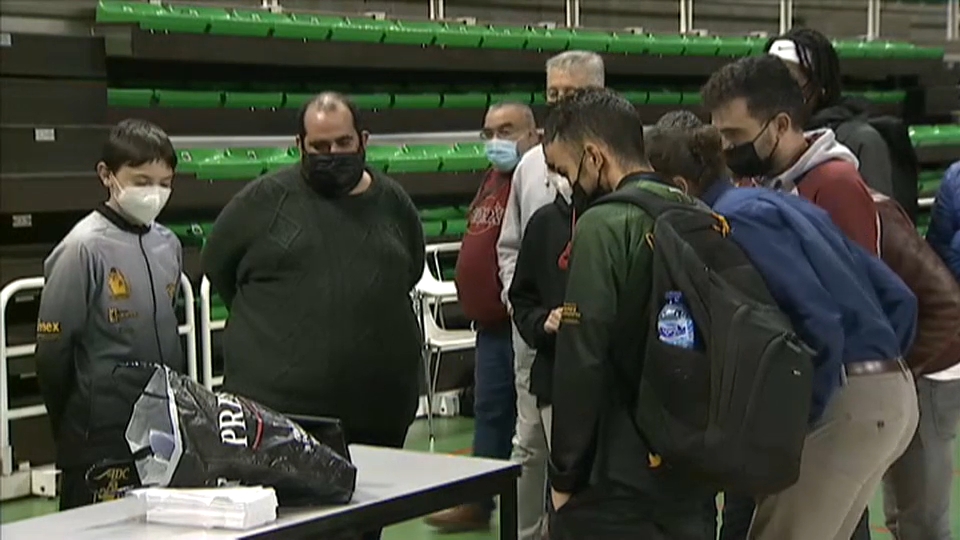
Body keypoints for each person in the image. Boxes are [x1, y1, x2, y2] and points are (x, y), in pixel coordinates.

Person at [644, 114, 921, 540]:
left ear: (679, 187)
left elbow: (818, 318)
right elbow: (897, 296)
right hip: (888, 389)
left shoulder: (732, 221)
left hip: (844, 398)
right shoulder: (778, 201)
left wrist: (802, 416)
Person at [201, 94, 424, 524]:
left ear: (363, 140)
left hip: (379, 418)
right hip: (280, 423)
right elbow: (219, 268)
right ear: (299, 144)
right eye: (319, 147)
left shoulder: (394, 204)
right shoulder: (262, 201)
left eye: (343, 143)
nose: (332, 155)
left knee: (363, 528)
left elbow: (409, 269)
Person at [544, 88, 716, 540]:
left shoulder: (605, 224)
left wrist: (564, 473)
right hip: (692, 462)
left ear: (594, 157)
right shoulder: (697, 211)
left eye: (566, 170)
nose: (567, 184)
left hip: (620, 472)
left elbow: (583, 357)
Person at [35, 119, 184, 510]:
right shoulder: (82, 249)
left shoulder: (168, 244)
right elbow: (53, 353)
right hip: (98, 436)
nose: (154, 192)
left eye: (164, 182)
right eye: (140, 181)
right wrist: (70, 428)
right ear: (107, 175)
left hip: (160, 429)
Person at [496, 49, 605, 540]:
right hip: (536, 332)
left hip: (593, 343)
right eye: (553, 95)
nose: (560, 104)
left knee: (584, 452)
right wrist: (524, 309)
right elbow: (511, 246)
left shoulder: (617, 156)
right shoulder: (529, 167)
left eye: (573, 95)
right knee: (530, 443)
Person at [426, 102, 538, 533]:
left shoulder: (535, 178)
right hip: (491, 324)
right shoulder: (494, 179)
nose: (496, 141)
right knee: (491, 413)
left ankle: (538, 510)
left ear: (534, 133)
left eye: (506, 130)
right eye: (488, 132)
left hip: (520, 321)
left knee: (532, 426)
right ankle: (477, 501)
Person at [702, 54, 881, 258]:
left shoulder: (836, 186)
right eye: (720, 135)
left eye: (734, 134)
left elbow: (856, 281)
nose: (725, 146)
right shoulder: (750, 178)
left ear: (781, 125)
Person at [887, 160, 960, 540]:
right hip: (946, 344)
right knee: (909, 502)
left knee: (925, 515)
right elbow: (937, 255)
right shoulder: (955, 177)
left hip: (944, 351)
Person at [764, 28, 895, 197]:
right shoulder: (763, 137)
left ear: (820, 86)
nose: (778, 90)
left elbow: (878, 217)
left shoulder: (862, 141)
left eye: (791, 80)